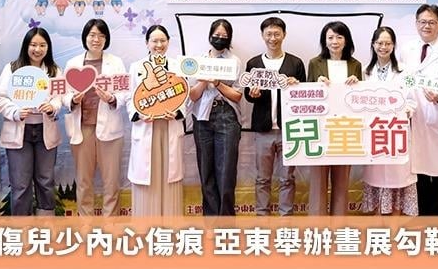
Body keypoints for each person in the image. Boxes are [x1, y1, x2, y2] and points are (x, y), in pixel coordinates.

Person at [399, 4, 438, 216]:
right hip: (413, 120)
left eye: (432, 22)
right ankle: (420, 223)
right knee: (418, 177)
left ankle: (435, 224)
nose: (427, 26)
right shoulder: (407, 49)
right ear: (416, 24)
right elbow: (402, 81)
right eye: (423, 22)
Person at [64, 19, 127, 216]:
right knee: (83, 180)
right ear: (85, 37)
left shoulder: (116, 63)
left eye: (101, 35)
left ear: (106, 39)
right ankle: (86, 224)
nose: (96, 39)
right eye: (92, 35)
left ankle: (110, 224)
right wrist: (73, 99)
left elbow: (125, 93)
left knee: (111, 181)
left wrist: (111, 98)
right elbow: (63, 94)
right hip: (82, 128)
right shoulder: (73, 64)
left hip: (110, 129)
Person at [0, 28, 62, 216]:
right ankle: (22, 228)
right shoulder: (12, 68)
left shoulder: (54, 70)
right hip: (19, 131)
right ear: (26, 46)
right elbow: (1, 98)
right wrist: (15, 112)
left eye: (42, 45)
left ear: (48, 47)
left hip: (44, 130)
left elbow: (60, 97)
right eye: (33, 45)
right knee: (21, 184)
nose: (37, 49)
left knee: (45, 180)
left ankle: (45, 224)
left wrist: (52, 106)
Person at [244, 17, 306, 216]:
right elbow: (248, 95)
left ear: (284, 35)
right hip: (263, 129)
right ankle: (261, 215)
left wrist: (296, 85)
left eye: (277, 34)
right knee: (262, 178)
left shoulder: (295, 63)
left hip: (289, 129)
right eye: (269, 34)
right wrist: (253, 94)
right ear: (262, 36)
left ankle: (285, 216)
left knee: (287, 177)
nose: (273, 38)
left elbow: (305, 96)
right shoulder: (254, 63)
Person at [127, 25, 185, 216]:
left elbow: (184, 96)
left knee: (169, 176)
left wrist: (177, 113)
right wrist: (139, 114)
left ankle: (171, 225)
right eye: (154, 41)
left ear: (168, 42)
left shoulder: (177, 66)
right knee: (147, 177)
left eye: (163, 41)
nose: (159, 45)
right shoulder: (136, 67)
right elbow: (129, 97)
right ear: (147, 43)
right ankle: (145, 226)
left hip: (169, 126)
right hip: (146, 125)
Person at [306, 20, 362, 215]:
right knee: (318, 182)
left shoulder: (355, 65)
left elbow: (360, 99)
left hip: (345, 129)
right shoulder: (315, 63)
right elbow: (306, 97)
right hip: (321, 129)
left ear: (346, 40)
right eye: (330, 37)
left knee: (342, 182)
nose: (335, 41)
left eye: (339, 37)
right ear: (324, 41)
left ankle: (339, 227)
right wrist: (316, 84)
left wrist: (357, 84)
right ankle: (317, 228)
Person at [361, 26, 418, 216]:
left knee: (398, 177)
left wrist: (407, 110)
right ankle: (378, 219)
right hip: (375, 132)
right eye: (379, 43)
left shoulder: (406, 71)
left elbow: (412, 100)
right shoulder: (365, 71)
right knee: (377, 177)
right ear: (373, 45)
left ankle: (396, 221)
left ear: (393, 46)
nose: (383, 47)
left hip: (397, 132)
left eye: (388, 43)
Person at [188, 19, 243, 215]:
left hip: (226, 116)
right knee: (206, 170)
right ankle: (210, 220)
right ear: (210, 36)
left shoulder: (234, 61)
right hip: (202, 117)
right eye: (216, 35)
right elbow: (192, 95)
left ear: (229, 38)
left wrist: (218, 82)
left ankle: (226, 222)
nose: (219, 39)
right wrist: (204, 80)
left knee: (226, 172)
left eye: (224, 36)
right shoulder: (198, 61)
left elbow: (237, 96)